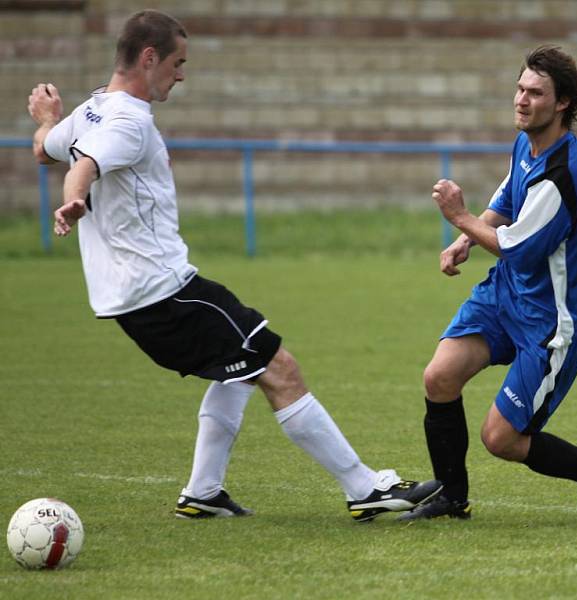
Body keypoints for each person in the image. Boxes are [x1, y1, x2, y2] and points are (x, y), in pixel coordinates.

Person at [27, 9, 440, 522]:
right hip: (164, 291)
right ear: (149, 57)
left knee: (237, 371)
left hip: (131, 298)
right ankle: (364, 488)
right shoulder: (129, 120)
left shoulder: (91, 110)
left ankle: (203, 492)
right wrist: (76, 201)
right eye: (177, 62)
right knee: (279, 366)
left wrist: (48, 119)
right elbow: (82, 166)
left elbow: (47, 151)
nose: (181, 74)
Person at [400, 45, 577, 522]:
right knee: (439, 376)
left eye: (535, 93)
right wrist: (471, 234)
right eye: (520, 89)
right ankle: (451, 497)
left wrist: (461, 218)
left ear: (562, 102)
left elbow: (519, 246)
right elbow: (509, 197)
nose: (521, 101)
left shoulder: (565, 173)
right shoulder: (529, 142)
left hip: (551, 318)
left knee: (500, 439)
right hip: (507, 292)